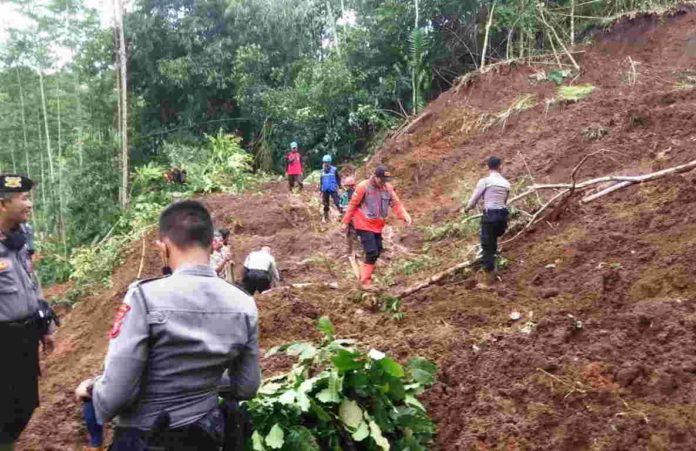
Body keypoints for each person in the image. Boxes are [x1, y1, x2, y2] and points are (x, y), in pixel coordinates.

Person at [74, 200, 260, 451]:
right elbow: (247, 387)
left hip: (146, 437)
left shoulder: (144, 297)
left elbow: (116, 396)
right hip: (206, 435)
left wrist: (91, 389)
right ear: (210, 243)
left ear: (164, 248)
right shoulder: (244, 303)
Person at [0, 174, 57, 451]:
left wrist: (45, 326)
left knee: (23, 404)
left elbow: (31, 280)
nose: (30, 204)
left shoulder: (21, 236)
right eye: (23, 198)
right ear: (2, 204)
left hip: (25, 336)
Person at [341, 165, 412, 291]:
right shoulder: (363, 186)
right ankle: (365, 282)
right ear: (375, 177)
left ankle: (363, 273)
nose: (384, 183)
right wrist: (345, 221)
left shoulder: (388, 188)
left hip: (377, 225)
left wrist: (404, 215)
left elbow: (395, 203)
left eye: (386, 180)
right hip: (363, 223)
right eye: (382, 180)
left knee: (378, 250)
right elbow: (352, 204)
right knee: (372, 251)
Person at [462, 156, 511, 285]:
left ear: (488, 167)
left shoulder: (485, 181)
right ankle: (493, 267)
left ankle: (487, 275)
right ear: (500, 167)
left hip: (490, 215)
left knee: (487, 244)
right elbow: (505, 201)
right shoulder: (506, 183)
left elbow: (474, 200)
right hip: (503, 216)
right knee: (493, 242)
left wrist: (466, 209)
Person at [319, 155, 342, 222]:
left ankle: (342, 214)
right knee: (325, 204)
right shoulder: (322, 171)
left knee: (337, 202)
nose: (325, 164)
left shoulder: (334, 170)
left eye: (327, 162)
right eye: (324, 162)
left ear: (329, 162)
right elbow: (321, 181)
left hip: (332, 188)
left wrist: (339, 187)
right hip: (325, 189)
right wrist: (320, 190)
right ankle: (326, 217)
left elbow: (338, 178)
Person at [339, 177, 358, 253]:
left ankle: (349, 249)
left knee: (348, 232)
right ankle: (356, 249)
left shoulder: (344, 195)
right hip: (355, 215)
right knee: (356, 232)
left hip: (346, 215)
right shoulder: (357, 194)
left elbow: (341, 206)